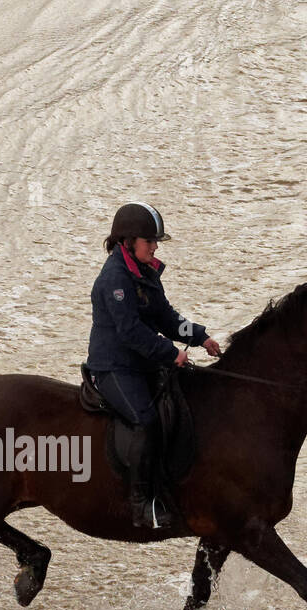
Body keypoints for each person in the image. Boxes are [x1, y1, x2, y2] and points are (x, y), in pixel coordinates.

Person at [85, 202, 221, 528]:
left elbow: (166, 317)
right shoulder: (115, 279)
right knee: (145, 419)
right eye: (150, 241)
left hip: (141, 363)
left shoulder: (145, 272)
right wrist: (169, 352)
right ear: (128, 241)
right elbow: (130, 330)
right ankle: (140, 504)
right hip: (114, 368)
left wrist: (199, 336)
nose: (155, 246)